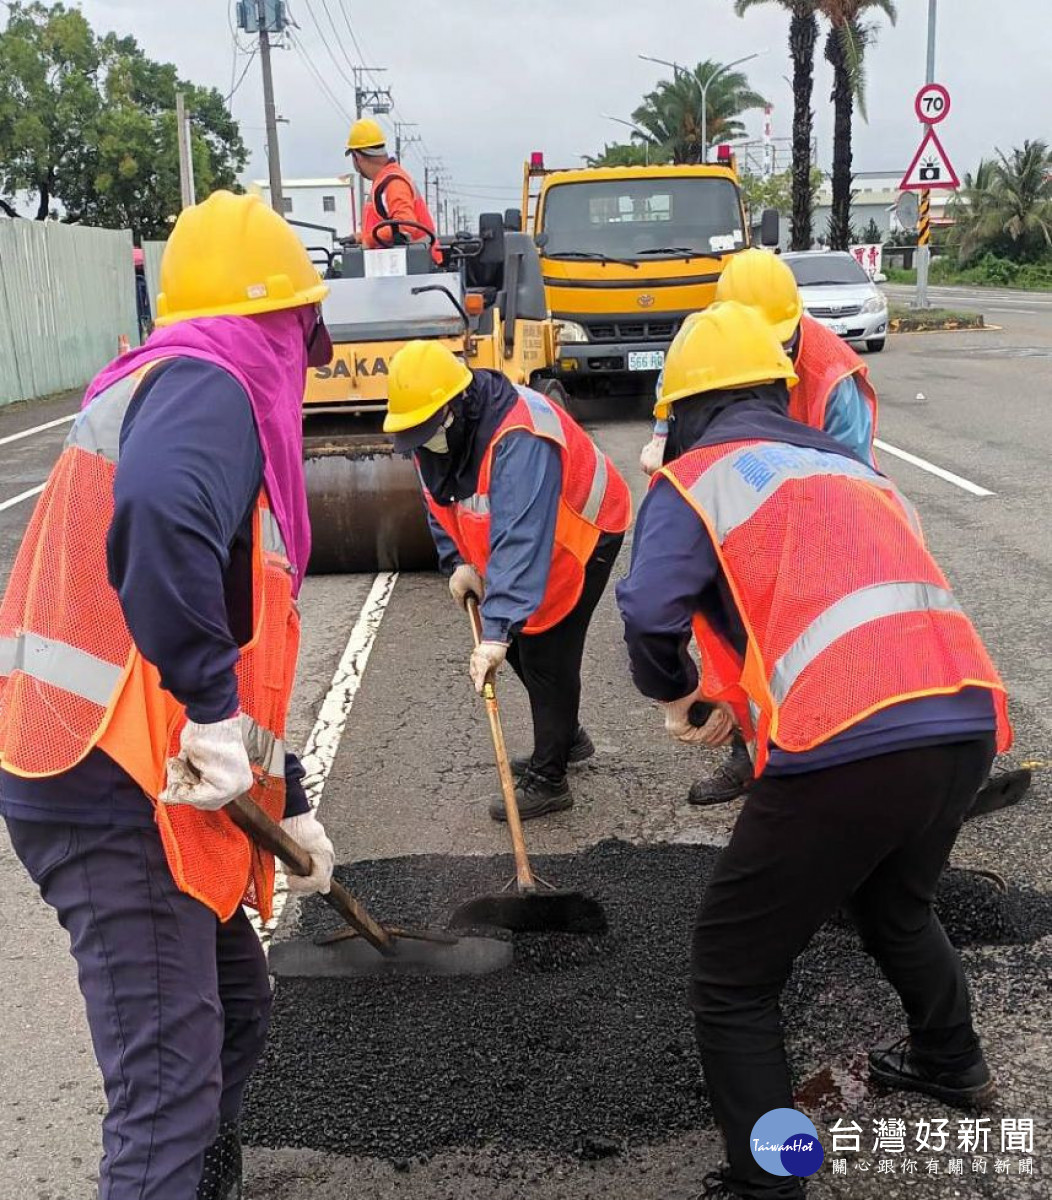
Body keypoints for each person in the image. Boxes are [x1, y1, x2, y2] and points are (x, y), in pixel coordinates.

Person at [617, 302, 1012, 1200]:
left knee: (731, 972)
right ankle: (954, 1062)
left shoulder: (700, 476)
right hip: (961, 719)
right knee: (896, 906)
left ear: (680, 408)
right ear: (776, 389)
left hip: (851, 742)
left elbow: (647, 609)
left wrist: (678, 696)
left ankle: (770, 1183)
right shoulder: (850, 468)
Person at [0, 191, 337, 1200]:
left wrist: (297, 801)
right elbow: (157, 522)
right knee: (166, 1086)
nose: (301, 363)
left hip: (143, 775)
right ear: (274, 323)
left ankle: (202, 1183)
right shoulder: (206, 383)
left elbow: (242, 661)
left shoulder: (177, 390)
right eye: (298, 333)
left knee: (237, 1011)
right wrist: (203, 706)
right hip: (104, 785)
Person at [384, 342, 631, 820]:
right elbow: (437, 497)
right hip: (532, 537)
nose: (419, 444)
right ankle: (565, 736)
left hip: (582, 529)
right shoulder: (432, 433)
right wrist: (456, 559)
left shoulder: (519, 436)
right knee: (521, 644)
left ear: (453, 410)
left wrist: (496, 631)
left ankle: (549, 779)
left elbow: (522, 538)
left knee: (545, 649)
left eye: (424, 432)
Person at [344, 117, 439, 256]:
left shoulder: (393, 184)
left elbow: (406, 224)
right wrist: (361, 237)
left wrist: (369, 240)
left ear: (357, 156)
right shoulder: (386, 180)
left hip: (419, 267)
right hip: (410, 264)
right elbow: (392, 228)